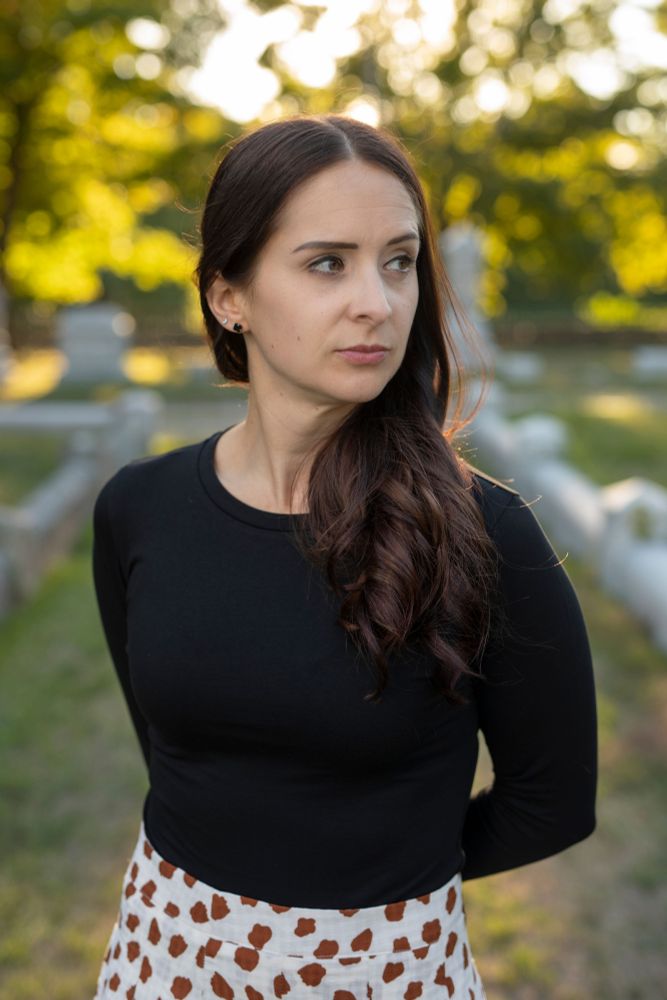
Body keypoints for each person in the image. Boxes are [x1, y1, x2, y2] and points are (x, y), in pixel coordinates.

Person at [91, 113, 597, 999]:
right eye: (327, 262)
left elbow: (551, 801)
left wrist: (372, 891)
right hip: (160, 954)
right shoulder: (140, 509)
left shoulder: (484, 532)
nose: (378, 300)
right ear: (227, 295)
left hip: (382, 967)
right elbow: (172, 748)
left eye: (397, 261)